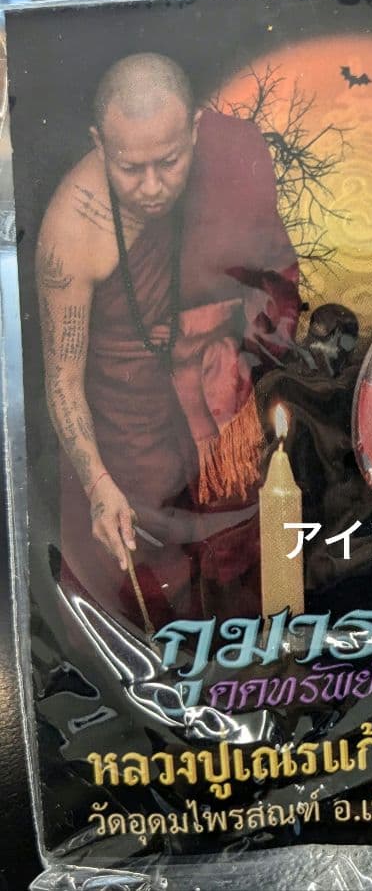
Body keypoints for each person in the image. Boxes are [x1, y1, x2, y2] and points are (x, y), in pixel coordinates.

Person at [36, 52, 299, 630]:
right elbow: (61, 380)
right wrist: (98, 484)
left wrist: (211, 332)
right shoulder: (74, 227)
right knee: (144, 611)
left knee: (243, 592)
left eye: (170, 162)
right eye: (130, 168)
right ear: (100, 144)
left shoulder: (230, 160)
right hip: (130, 443)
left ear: (195, 131)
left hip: (216, 414)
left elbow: (273, 278)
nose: (152, 187)